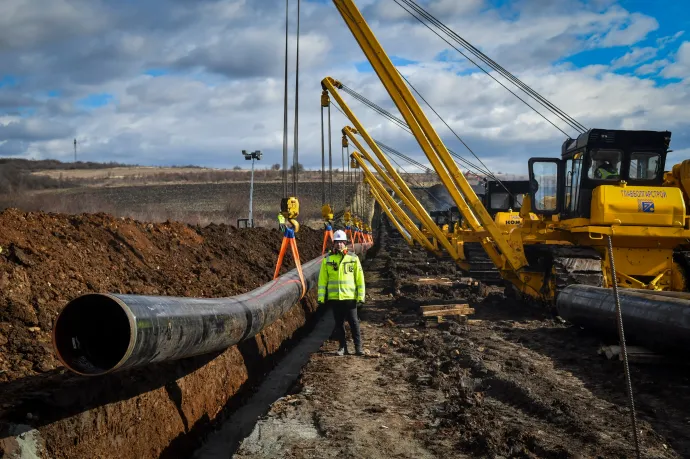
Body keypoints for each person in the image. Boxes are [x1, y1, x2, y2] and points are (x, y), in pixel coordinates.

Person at [317, 229, 365, 356]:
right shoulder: (328, 260)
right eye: (336, 242)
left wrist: (361, 297)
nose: (339, 244)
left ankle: (358, 347)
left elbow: (360, 279)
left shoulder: (353, 259)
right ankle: (342, 347)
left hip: (349, 297)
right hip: (335, 298)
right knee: (339, 324)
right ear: (333, 244)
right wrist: (321, 297)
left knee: (354, 323)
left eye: (341, 242)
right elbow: (323, 280)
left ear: (345, 243)